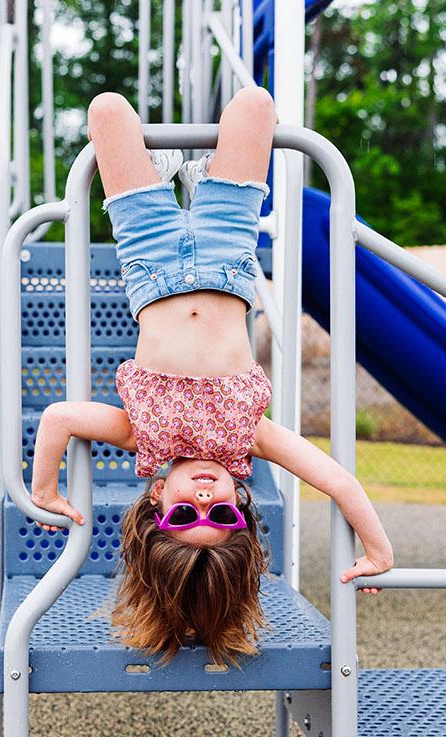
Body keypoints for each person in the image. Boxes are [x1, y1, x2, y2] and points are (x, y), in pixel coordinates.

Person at [29, 86, 393, 665]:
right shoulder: (249, 437)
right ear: (241, 507)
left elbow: (58, 419)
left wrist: (45, 491)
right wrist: (376, 549)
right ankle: (197, 180)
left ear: (156, 499)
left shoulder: (140, 437)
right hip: (228, 255)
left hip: (149, 260)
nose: (204, 497)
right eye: (220, 514)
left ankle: (170, 175)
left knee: (106, 111)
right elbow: (339, 482)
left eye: (184, 515)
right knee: (254, 107)